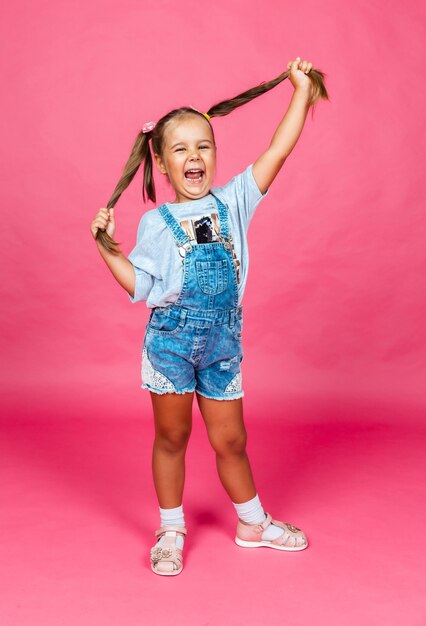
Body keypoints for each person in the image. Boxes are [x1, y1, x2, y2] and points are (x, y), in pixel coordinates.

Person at [90, 57, 329, 576]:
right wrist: (106, 248)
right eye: (181, 149)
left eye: (204, 145)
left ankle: (252, 522)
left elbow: (278, 149)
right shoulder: (156, 223)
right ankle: (171, 527)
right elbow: (142, 286)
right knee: (172, 437)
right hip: (171, 344)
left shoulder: (236, 200)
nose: (194, 156)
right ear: (162, 161)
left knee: (232, 440)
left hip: (222, 345)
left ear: (215, 154)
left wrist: (300, 89)